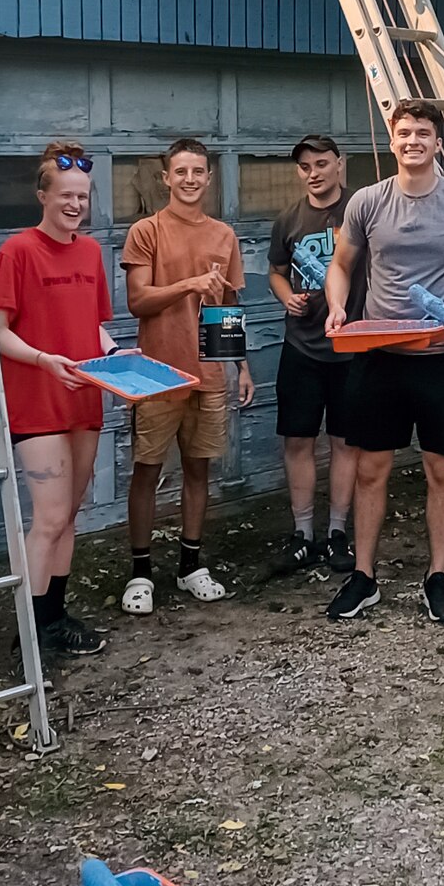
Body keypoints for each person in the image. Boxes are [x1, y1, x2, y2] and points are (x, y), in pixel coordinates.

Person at [322, 99, 444, 623]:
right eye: (404, 133)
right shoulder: (367, 202)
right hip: (379, 356)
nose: (412, 142)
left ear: (437, 142)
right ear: (393, 137)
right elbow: (341, 265)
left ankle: (438, 576)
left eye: (422, 133)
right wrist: (338, 305)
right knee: (370, 469)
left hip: (442, 357)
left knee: (440, 469)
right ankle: (364, 577)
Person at [120, 138, 255, 615]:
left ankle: (191, 566)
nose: (190, 179)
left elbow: (226, 309)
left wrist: (239, 365)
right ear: (166, 178)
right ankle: (140, 573)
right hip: (156, 375)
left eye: (198, 171)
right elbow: (138, 301)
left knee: (199, 470)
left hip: (209, 375)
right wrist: (188, 284)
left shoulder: (223, 235)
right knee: (148, 471)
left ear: (209, 176)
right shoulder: (146, 231)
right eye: (181, 172)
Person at [0, 141, 112, 659]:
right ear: (42, 195)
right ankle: (29, 633)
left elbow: (98, 328)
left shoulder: (90, 252)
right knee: (50, 516)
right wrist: (43, 360)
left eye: (82, 196)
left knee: (71, 514)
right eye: (65, 195)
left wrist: (120, 356)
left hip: (84, 400)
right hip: (38, 402)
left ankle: (55, 617)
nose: (74, 204)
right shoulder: (16, 251)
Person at [266, 133, 361, 577]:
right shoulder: (288, 219)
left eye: (322, 163)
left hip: (351, 346)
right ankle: (303, 533)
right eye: (305, 167)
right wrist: (287, 297)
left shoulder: (361, 209)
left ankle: (337, 531)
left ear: (339, 164)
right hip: (301, 345)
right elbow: (276, 273)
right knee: (298, 440)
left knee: (345, 441)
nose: (314, 173)